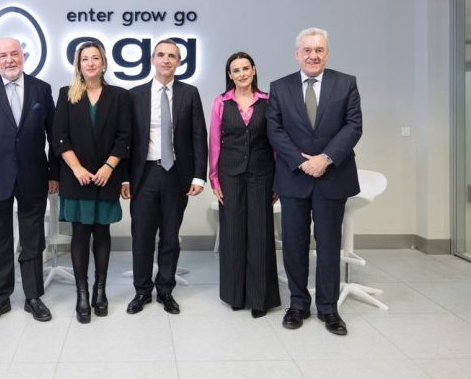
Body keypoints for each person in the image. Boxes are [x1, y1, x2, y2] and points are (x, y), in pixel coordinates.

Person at [266, 27, 362, 336]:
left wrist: (325, 158)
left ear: (327, 54)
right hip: (294, 177)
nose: (313, 55)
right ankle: (297, 304)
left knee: (329, 245)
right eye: (307, 50)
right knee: (294, 244)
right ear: (297, 54)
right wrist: (302, 161)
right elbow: (274, 129)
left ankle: (328, 308)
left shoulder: (346, 83)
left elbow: (353, 126)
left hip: (332, 176)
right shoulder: (279, 87)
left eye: (319, 50)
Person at [0, 37, 59, 324]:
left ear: (23, 56)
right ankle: (0, 298)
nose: (9, 60)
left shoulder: (41, 88)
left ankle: (33, 296)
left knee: (33, 239)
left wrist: (54, 173)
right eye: (3, 55)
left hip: (34, 175)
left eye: (14, 54)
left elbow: (54, 135)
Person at [121, 38, 208, 315]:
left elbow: (199, 136)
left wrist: (199, 176)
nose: (166, 60)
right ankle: (141, 291)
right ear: (152, 60)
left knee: (170, 236)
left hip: (176, 174)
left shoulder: (189, 93)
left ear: (179, 62)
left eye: (172, 55)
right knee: (142, 237)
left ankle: (166, 290)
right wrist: (124, 178)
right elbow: (125, 140)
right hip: (144, 174)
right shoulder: (134, 95)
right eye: (161, 55)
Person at [53, 41, 130, 323]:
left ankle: (100, 290)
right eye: (85, 59)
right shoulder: (67, 94)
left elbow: (125, 137)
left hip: (106, 177)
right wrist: (77, 169)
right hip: (77, 179)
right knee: (80, 234)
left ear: (103, 63)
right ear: (78, 64)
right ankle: (82, 294)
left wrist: (109, 167)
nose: (90, 63)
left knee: (102, 233)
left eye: (95, 58)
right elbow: (59, 137)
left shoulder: (119, 96)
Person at [209, 52, 281, 318]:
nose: (241, 74)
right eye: (236, 70)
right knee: (233, 234)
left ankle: (260, 298)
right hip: (229, 175)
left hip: (262, 174)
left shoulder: (268, 101)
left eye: (245, 68)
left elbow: (276, 143)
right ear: (230, 75)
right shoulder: (220, 102)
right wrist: (214, 178)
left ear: (254, 70)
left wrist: (278, 180)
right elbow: (214, 142)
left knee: (261, 234)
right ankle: (235, 295)